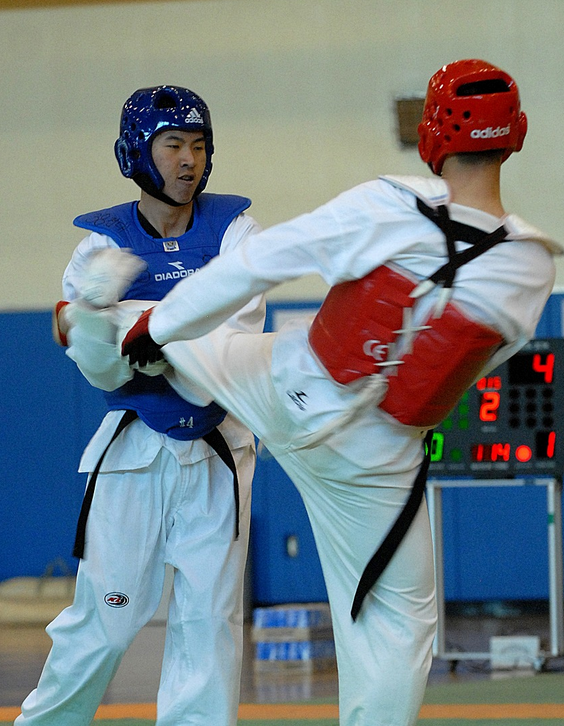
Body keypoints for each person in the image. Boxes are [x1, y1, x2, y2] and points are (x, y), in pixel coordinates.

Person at [119, 60, 563, 725]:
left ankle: (107, 322)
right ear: (518, 133)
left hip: (285, 383)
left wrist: (160, 326)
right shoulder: (530, 263)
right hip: (373, 463)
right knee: (399, 631)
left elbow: (261, 263)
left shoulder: (390, 200)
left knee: (179, 340)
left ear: (432, 133)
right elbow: (479, 355)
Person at [17, 86, 265, 726]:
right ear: (138, 151)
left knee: (208, 622)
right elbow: (94, 362)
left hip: (218, 452)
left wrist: (124, 325)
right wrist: (114, 334)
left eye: (199, 144)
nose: (189, 159)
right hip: (134, 449)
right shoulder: (100, 245)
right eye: (173, 144)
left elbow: (232, 346)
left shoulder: (236, 228)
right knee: (108, 616)